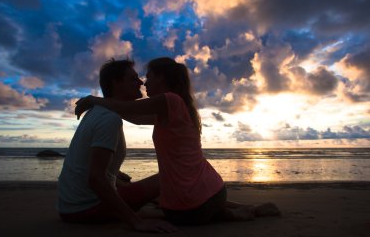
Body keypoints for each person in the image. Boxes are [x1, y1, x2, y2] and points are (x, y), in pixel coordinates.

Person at [75, 57, 280, 225]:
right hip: (207, 195)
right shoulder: (173, 109)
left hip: (187, 207)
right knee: (177, 204)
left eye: (149, 77)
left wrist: (93, 100)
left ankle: (231, 213)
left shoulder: (170, 100)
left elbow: (128, 110)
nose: (145, 83)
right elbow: (134, 118)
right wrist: (107, 107)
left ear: (162, 78)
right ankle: (237, 210)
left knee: (164, 208)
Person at [56, 59, 177, 233]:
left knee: (125, 180)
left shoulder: (98, 112)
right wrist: (136, 222)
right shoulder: (109, 120)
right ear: (116, 82)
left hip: (69, 207)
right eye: (133, 78)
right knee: (169, 175)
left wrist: (93, 100)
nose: (141, 82)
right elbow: (96, 179)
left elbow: (137, 116)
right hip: (86, 209)